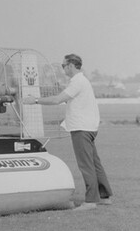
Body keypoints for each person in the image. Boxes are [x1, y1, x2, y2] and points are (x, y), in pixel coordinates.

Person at [24, 54, 113, 211]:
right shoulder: (81, 81)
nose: (63, 68)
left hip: (81, 128)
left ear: (71, 66)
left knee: (86, 165)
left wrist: (35, 100)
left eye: (64, 65)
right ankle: (104, 196)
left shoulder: (77, 82)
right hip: (89, 127)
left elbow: (57, 100)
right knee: (94, 162)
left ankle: (91, 201)